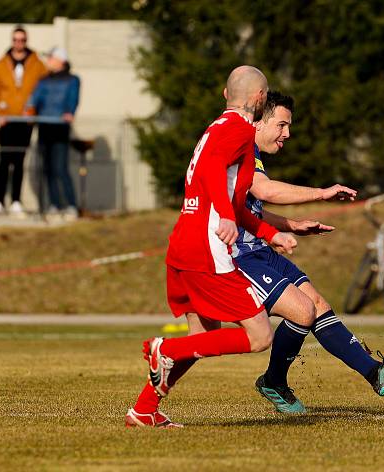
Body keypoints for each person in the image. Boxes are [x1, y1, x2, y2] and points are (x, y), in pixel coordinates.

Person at [125, 66, 303, 429]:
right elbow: (209, 172)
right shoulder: (239, 129)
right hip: (208, 248)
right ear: (260, 99)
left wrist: (270, 233)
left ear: (226, 94)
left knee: (202, 338)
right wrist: (223, 215)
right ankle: (165, 350)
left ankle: (144, 410)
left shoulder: (216, 128)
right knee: (259, 335)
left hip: (185, 242)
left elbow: (236, 204)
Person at [235, 91, 384, 414]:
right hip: (237, 255)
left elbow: (252, 209)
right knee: (301, 311)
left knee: (318, 304)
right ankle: (274, 381)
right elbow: (263, 190)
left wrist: (292, 225)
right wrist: (323, 193)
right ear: (259, 122)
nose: (287, 134)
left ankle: (375, 373)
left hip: (257, 248)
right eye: (282, 125)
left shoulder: (253, 153)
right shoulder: (239, 147)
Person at [0, 26, 47, 219]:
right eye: (16, 40)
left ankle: (16, 201)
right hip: (7, 119)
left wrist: (33, 111)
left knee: (20, 160)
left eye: (22, 40)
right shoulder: (0, 64)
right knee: (4, 160)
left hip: (26, 120)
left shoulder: (37, 64)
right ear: (12, 41)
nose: (19, 43)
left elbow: (42, 89)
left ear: (26, 41)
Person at [25, 47, 81, 220]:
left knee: (60, 168)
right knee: (47, 169)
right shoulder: (43, 80)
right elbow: (34, 98)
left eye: (51, 58)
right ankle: (54, 204)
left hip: (60, 128)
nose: (48, 60)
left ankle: (71, 205)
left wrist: (69, 112)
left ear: (60, 60)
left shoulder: (72, 80)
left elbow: (72, 99)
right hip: (44, 128)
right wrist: (28, 110)